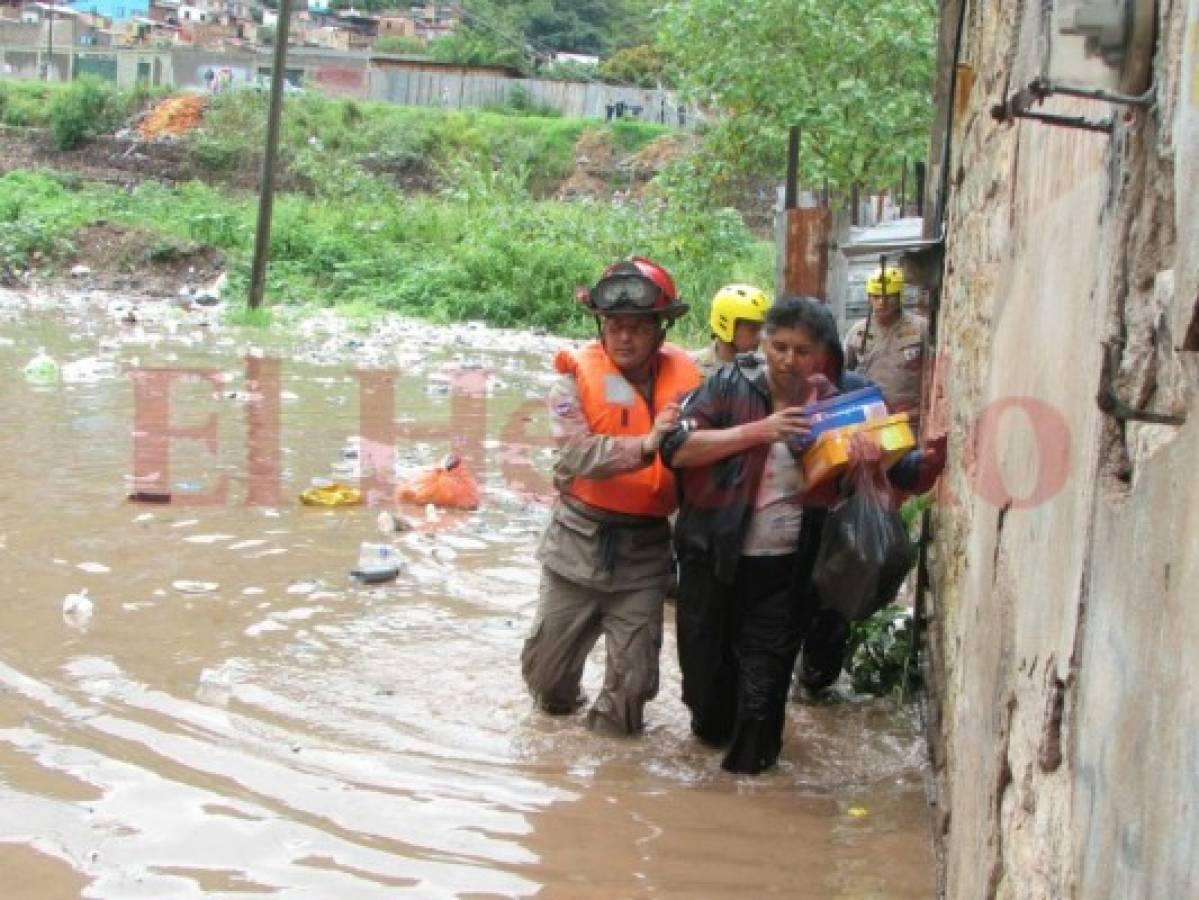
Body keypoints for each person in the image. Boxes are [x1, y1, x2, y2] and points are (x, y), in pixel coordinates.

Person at [661, 296, 944, 773]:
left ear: (826, 354)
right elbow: (676, 448)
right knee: (707, 699)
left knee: (763, 697)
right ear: (764, 346)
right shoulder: (728, 386)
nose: (788, 360)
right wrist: (761, 431)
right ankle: (714, 756)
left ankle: (749, 795)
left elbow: (905, 470)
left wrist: (916, 461)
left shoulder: (852, 399)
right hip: (712, 562)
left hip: (789, 571)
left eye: (803, 350)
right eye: (779, 346)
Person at [521, 257, 702, 735]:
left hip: (644, 554)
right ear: (600, 328)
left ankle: (612, 781)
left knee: (630, 696)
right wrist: (645, 445)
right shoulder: (567, 386)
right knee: (548, 687)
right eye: (614, 326)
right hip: (575, 545)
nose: (624, 338)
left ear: (660, 331)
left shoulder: (689, 388)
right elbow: (574, 454)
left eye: (637, 328)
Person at [844, 266, 928, 415]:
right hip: (870, 414)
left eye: (888, 296)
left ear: (899, 296)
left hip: (910, 415)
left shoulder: (920, 328)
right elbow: (844, 374)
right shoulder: (857, 332)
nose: (882, 302)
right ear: (869, 297)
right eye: (876, 296)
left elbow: (931, 372)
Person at [692, 283, 770, 376]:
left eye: (763, 329)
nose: (760, 337)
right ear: (726, 326)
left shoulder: (765, 372)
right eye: (753, 329)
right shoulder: (691, 368)